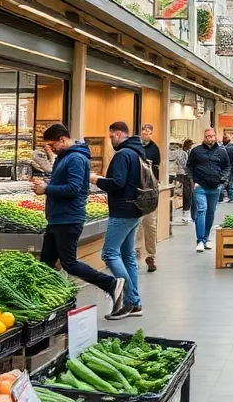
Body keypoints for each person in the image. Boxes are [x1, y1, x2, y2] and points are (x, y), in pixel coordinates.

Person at [32, 124, 125, 316]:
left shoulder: (75, 158)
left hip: (68, 219)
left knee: (69, 263)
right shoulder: (64, 158)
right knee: (46, 263)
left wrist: (46, 189)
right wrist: (46, 184)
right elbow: (64, 184)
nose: (51, 149)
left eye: (52, 144)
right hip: (57, 218)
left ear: (62, 139)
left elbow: (74, 188)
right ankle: (49, 306)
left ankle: (111, 283)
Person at [92, 121, 146, 320]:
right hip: (135, 209)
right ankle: (136, 303)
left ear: (118, 134)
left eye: (111, 136)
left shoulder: (123, 154)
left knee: (109, 253)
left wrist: (96, 180)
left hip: (122, 210)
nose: (110, 140)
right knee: (128, 255)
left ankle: (131, 300)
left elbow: (117, 183)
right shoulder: (138, 152)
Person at [186, 127, 230, 252]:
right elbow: (189, 166)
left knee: (210, 213)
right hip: (200, 186)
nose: (209, 138)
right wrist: (192, 180)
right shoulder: (196, 151)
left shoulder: (222, 151)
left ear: (215, 137)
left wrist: (222, 180)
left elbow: (227, 166)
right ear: (203, 137)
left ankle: (206, 238)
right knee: (201, 210)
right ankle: (200, 240)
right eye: (207, 136)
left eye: (211, 136)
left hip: (215, 187)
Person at [138, 123, 162, 273]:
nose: (146, 133)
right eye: (144, 131)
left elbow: (157, 169)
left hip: (149, 191)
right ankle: (133, 254)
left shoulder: (155, 149)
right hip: (134, 191)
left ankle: (150, 256)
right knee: (134, 224)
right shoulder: (133, 148)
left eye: (149, 131)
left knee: (149, 224)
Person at [169, 139, 190, 224]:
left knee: (169, 196)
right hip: (181, 175)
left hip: (169, 174)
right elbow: (185, 164)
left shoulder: (165, 152)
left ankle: (169, 215)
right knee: (186, 193)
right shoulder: (182, 153)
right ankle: (185, 214)